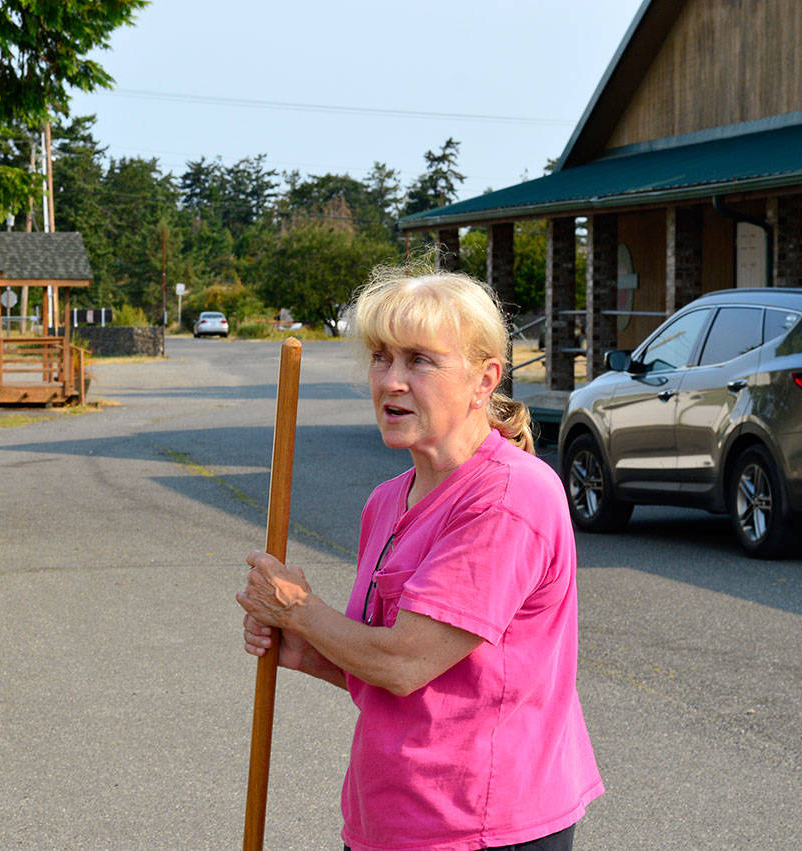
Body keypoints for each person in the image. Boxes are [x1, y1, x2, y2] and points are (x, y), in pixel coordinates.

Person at [237, 267, 602, 851]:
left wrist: (302, 611)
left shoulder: (508, 499)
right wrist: (311, 651)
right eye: (381, 358)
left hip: (481, 825)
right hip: (393, 819)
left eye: (419, 361)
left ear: (484, 380)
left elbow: (406, 664)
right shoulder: (387, 502)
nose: (392, 382)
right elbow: (406, 684)